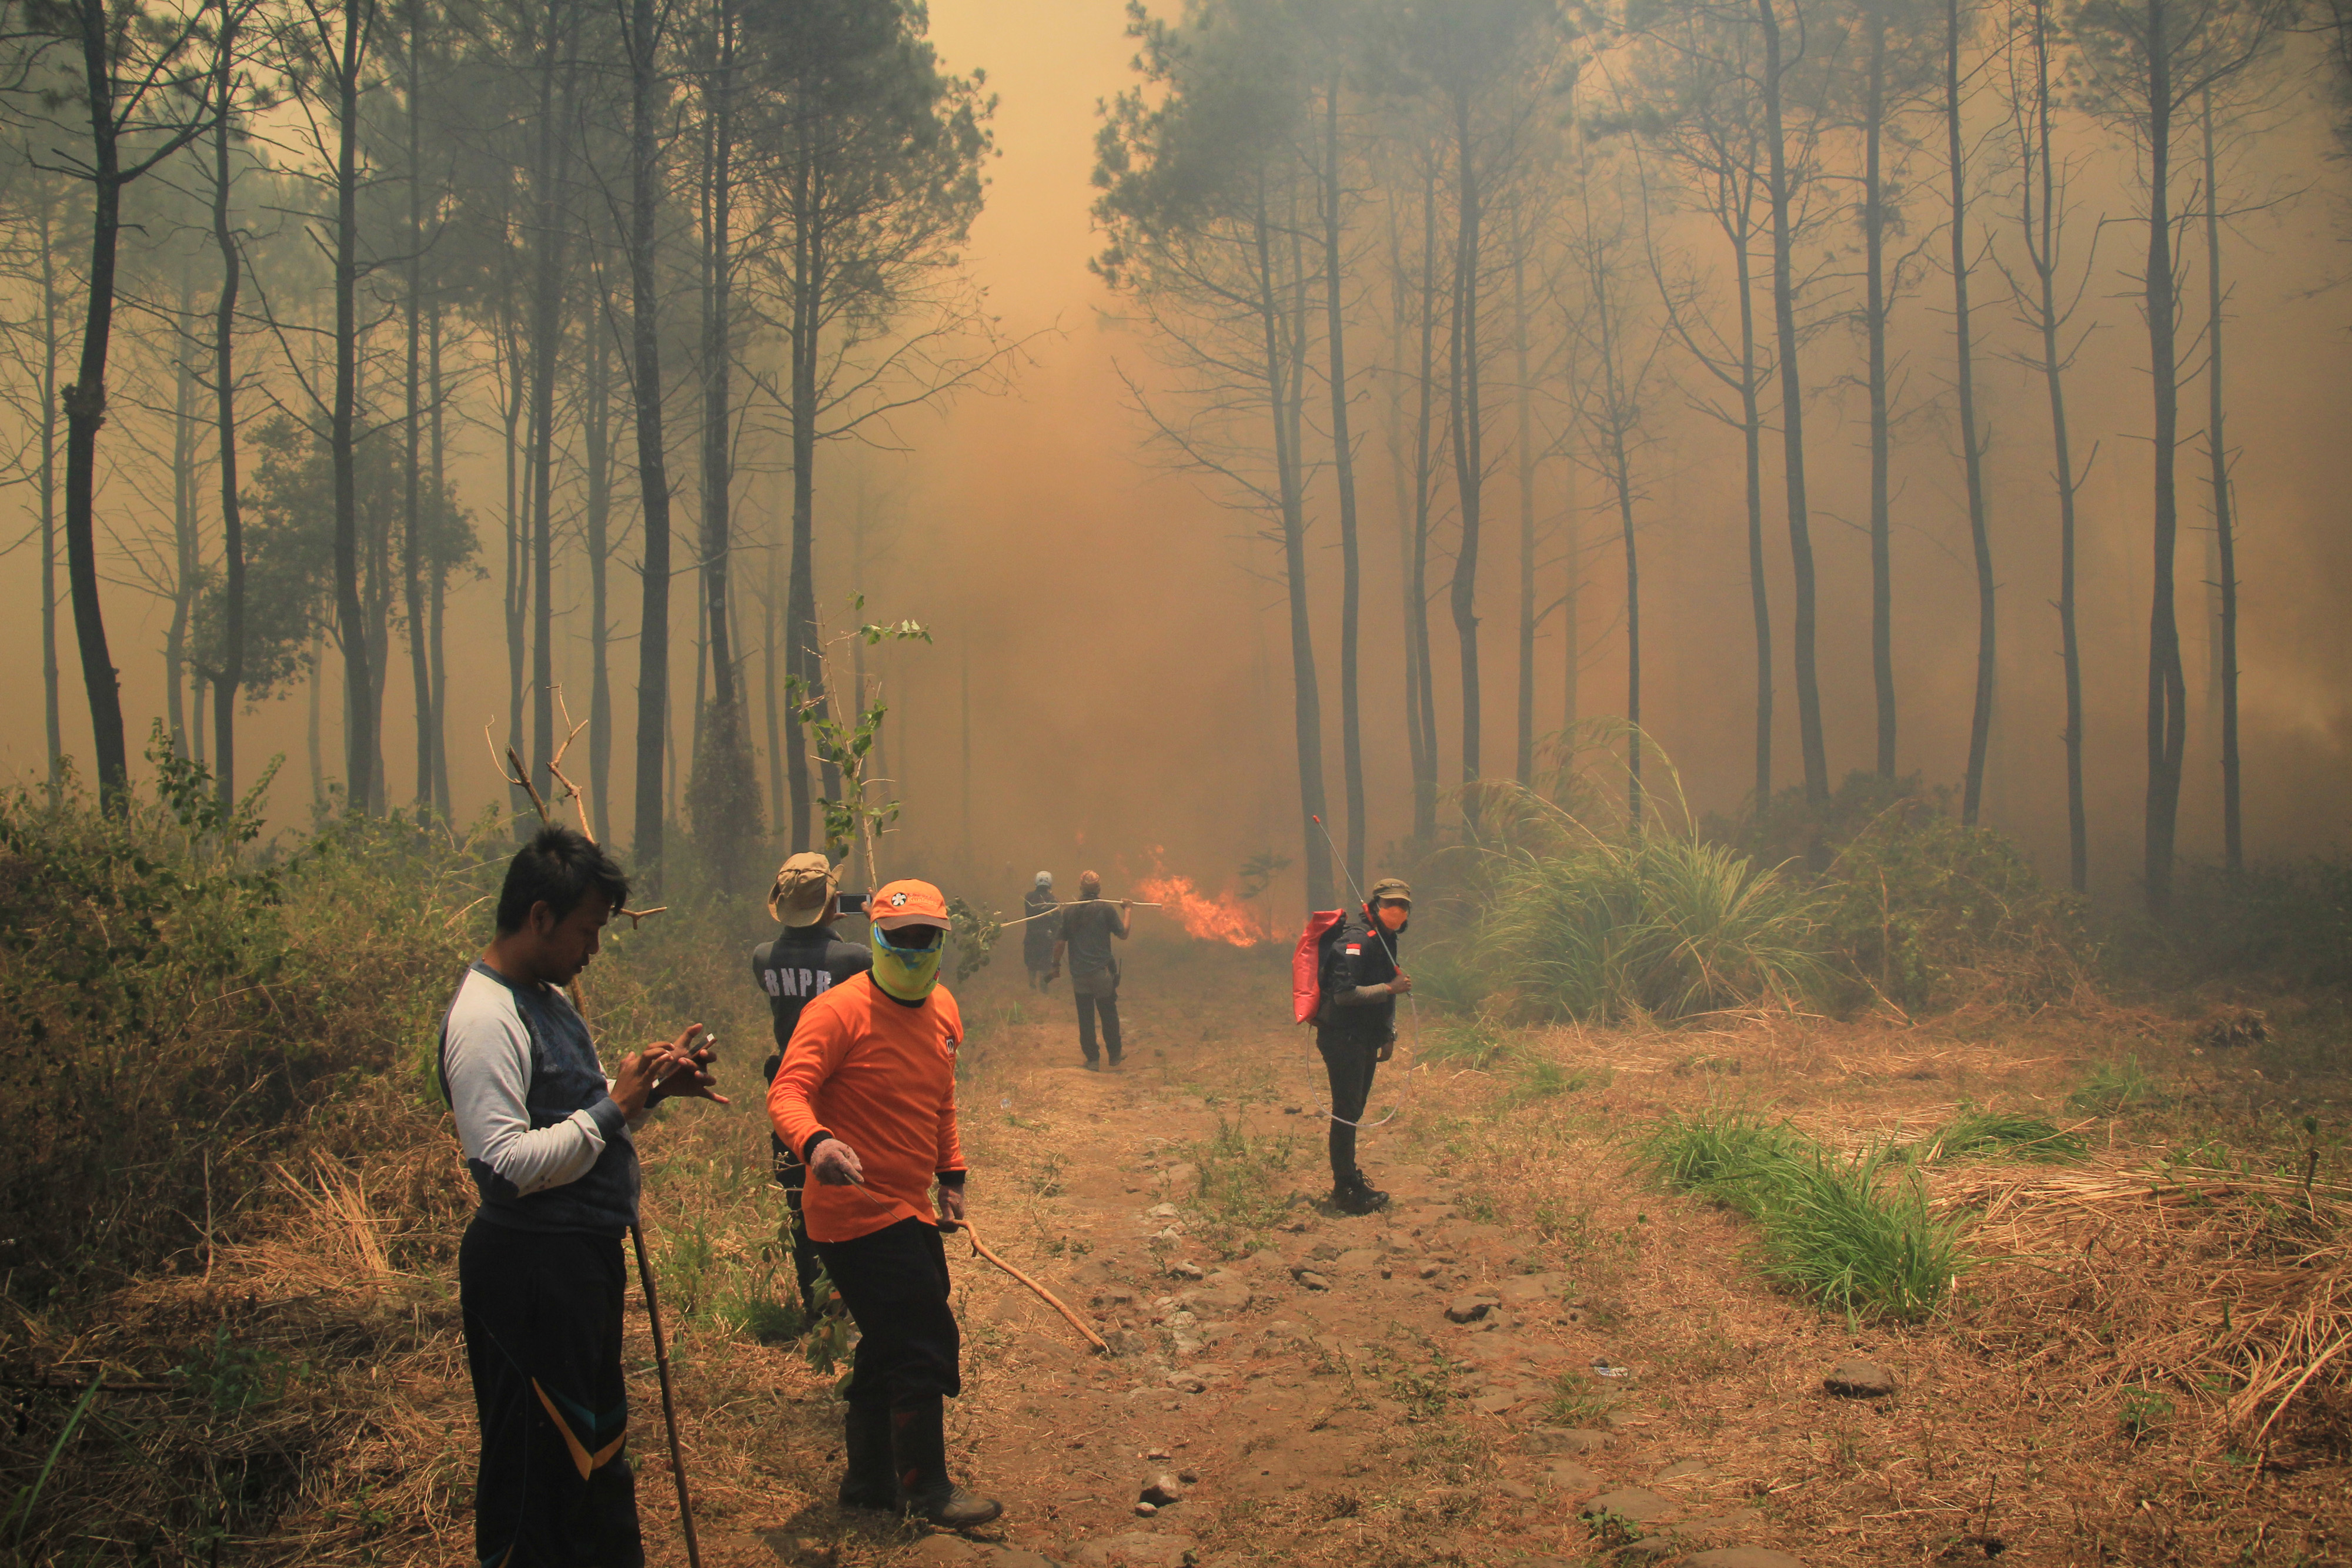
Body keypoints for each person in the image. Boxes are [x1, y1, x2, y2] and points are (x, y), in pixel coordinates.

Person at [439, 825, 722, 1568]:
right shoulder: (484, 1018)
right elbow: (503, 1165)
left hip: (577, 1268)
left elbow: (564, 1104)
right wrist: (614, 1109)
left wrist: (646, 1089)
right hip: (529, 1274)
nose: (593, 948)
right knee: (538, 1474)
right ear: (539, 918)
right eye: (587, 930)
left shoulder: (544, 997)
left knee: (595, 1454)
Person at [767, 878, 1002, 1529]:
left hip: (909, 1206)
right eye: (896, 938)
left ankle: (868, 1483)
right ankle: (927, 1490)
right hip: (850, 1215)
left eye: (923, 937)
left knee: (887, 1339)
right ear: (873, 936)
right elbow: (787, 1093)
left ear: (941, 939)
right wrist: (816, 1144)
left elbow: (941, 1101)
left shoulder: (945, 1010)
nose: (910, 949)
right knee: (923, 1338)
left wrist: (951, 1175)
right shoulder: (837, 1012)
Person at [754, 852, 873, 1309]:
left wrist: (822, 922)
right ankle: (850, 1296)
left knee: (800, 1197)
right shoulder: (855, 958)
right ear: (831, 903)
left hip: (789, 1093)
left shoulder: (762, 957)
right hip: (842, 1094)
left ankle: (813, 1298)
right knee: (850, 1192)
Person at [1314, 876, 1412, 1215]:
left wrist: (1387, 1033)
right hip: (1342, 1038)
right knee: (1346, 1112)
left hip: (1365, 1039)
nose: (1397, 910)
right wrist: (1391, 989)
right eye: (1390, 904)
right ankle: (1346, 1189)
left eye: (1403, 905)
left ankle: (1350, 1179)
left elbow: (1386, 989)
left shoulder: (1387, 940)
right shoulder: (1356, 941)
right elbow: (1345, 994)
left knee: (1353, 1111)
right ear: (1374, 906)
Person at [1053, 870, 1131, 1069]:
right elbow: (1123, 934)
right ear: (1099, 888)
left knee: (1085, 1018)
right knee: (1108, 1014)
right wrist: (1128, 910)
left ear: (1081, 888)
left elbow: (1060, 943)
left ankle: (1093, 1060)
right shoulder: (1106, 909)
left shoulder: (1069, 912)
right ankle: (1114, 1056)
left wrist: (1056, 965)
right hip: (1102, 973)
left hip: (1080, 975)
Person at [1021, 871, 1060, 991]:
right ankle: (1044, 986)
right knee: (1045, 964)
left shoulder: (1029, 897)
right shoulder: (1053, 901)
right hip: (1046, 938)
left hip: (1031, 937)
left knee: (1031, 963)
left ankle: (1032, 984)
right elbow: (1058, 921)